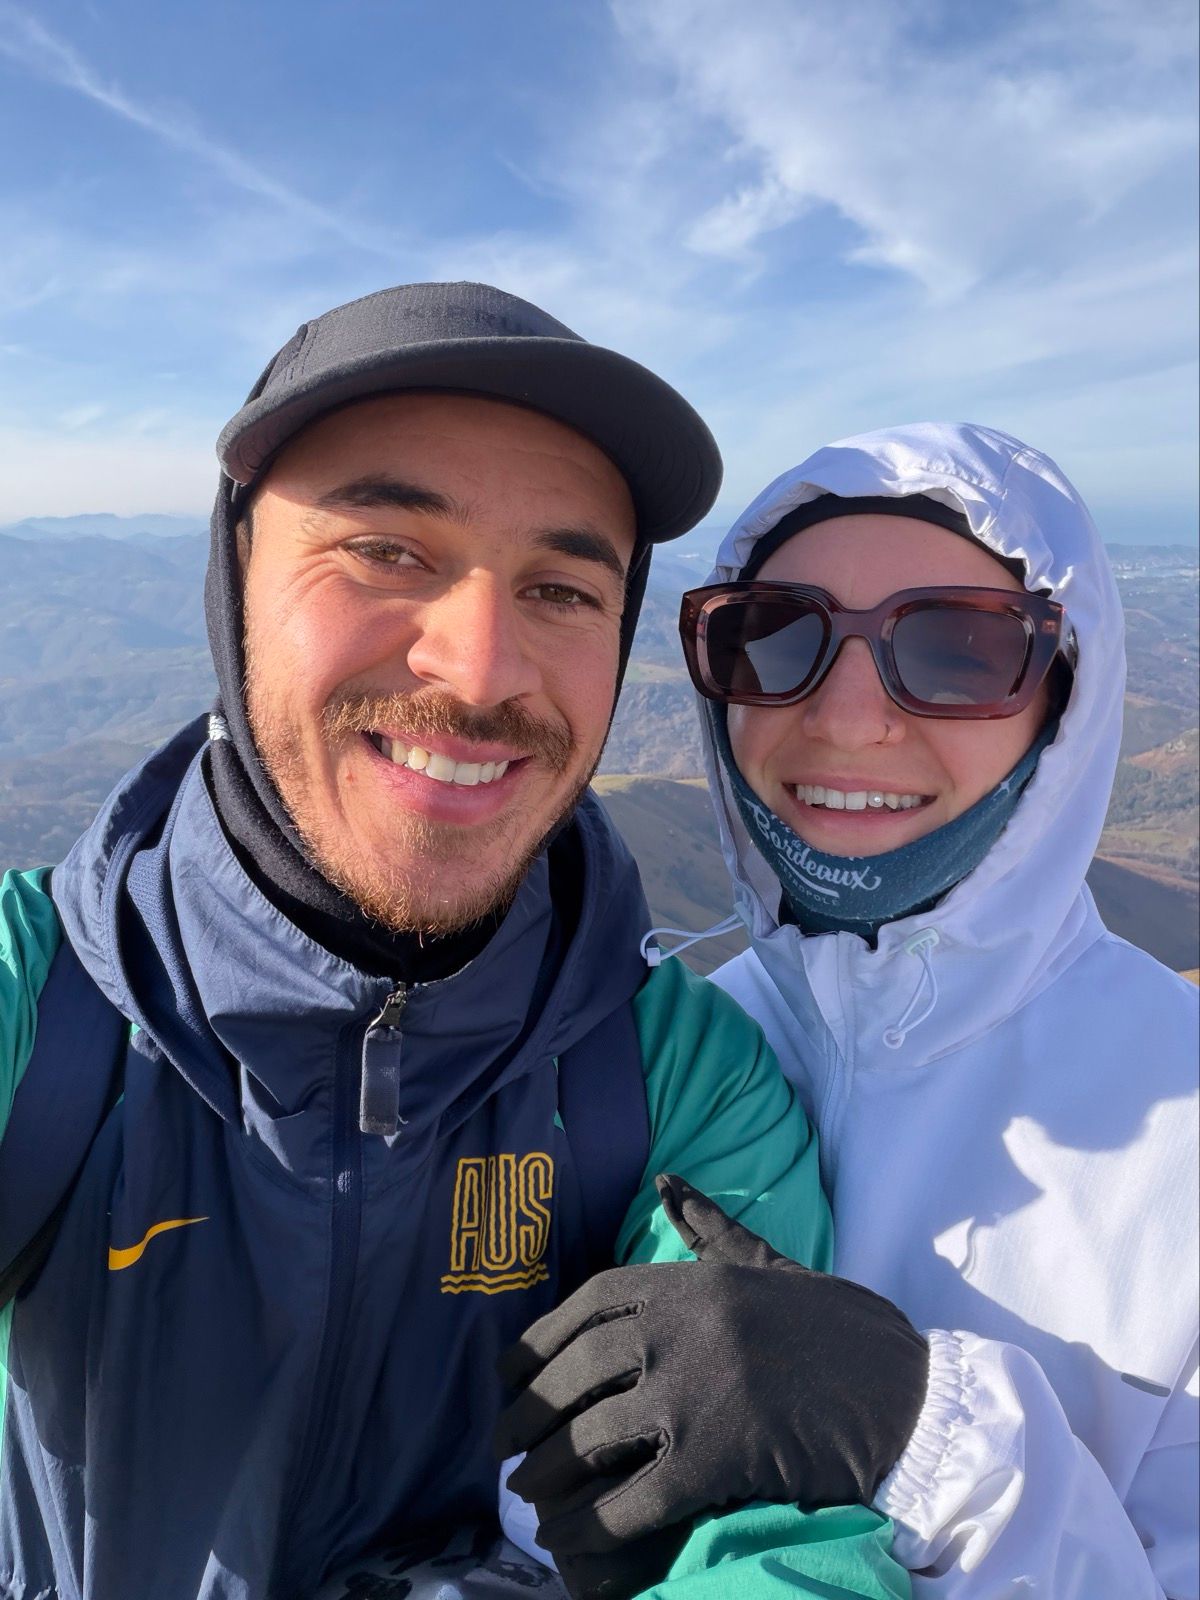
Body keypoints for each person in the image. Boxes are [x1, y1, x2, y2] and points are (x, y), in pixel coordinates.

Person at [0, 283, 911, 1600]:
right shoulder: (44, 1010)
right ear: (234, 581)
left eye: (561, 588)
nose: (481, 669)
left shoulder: (679, 1090)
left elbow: (776, 1547)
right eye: (386, 550)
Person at [501, 423, 1199, 1598]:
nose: (847, 716)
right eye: (776, 637)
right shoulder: (649, 1062)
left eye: (961, 649)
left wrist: (915, 1427)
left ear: (1065, 699)